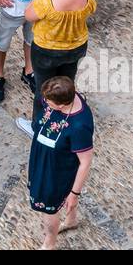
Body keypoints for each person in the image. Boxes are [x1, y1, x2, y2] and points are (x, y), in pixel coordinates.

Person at [19, 0, 95, 129]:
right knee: (66, 86)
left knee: (44, 89)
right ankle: (62, 120)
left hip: (47, 51)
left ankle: (38, 126)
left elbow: (29, 15)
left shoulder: (49, 0)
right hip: (75, 49)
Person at [27, 75, 94, 250]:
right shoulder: (58, 96)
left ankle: (50, 243)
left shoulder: (79, 127)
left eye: (48, 102)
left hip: (55, 173)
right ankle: (71, 220)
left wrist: (74, 194)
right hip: (42, 160)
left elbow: (85, 162)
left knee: (48, 209)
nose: (44, 102)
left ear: (62, 105)